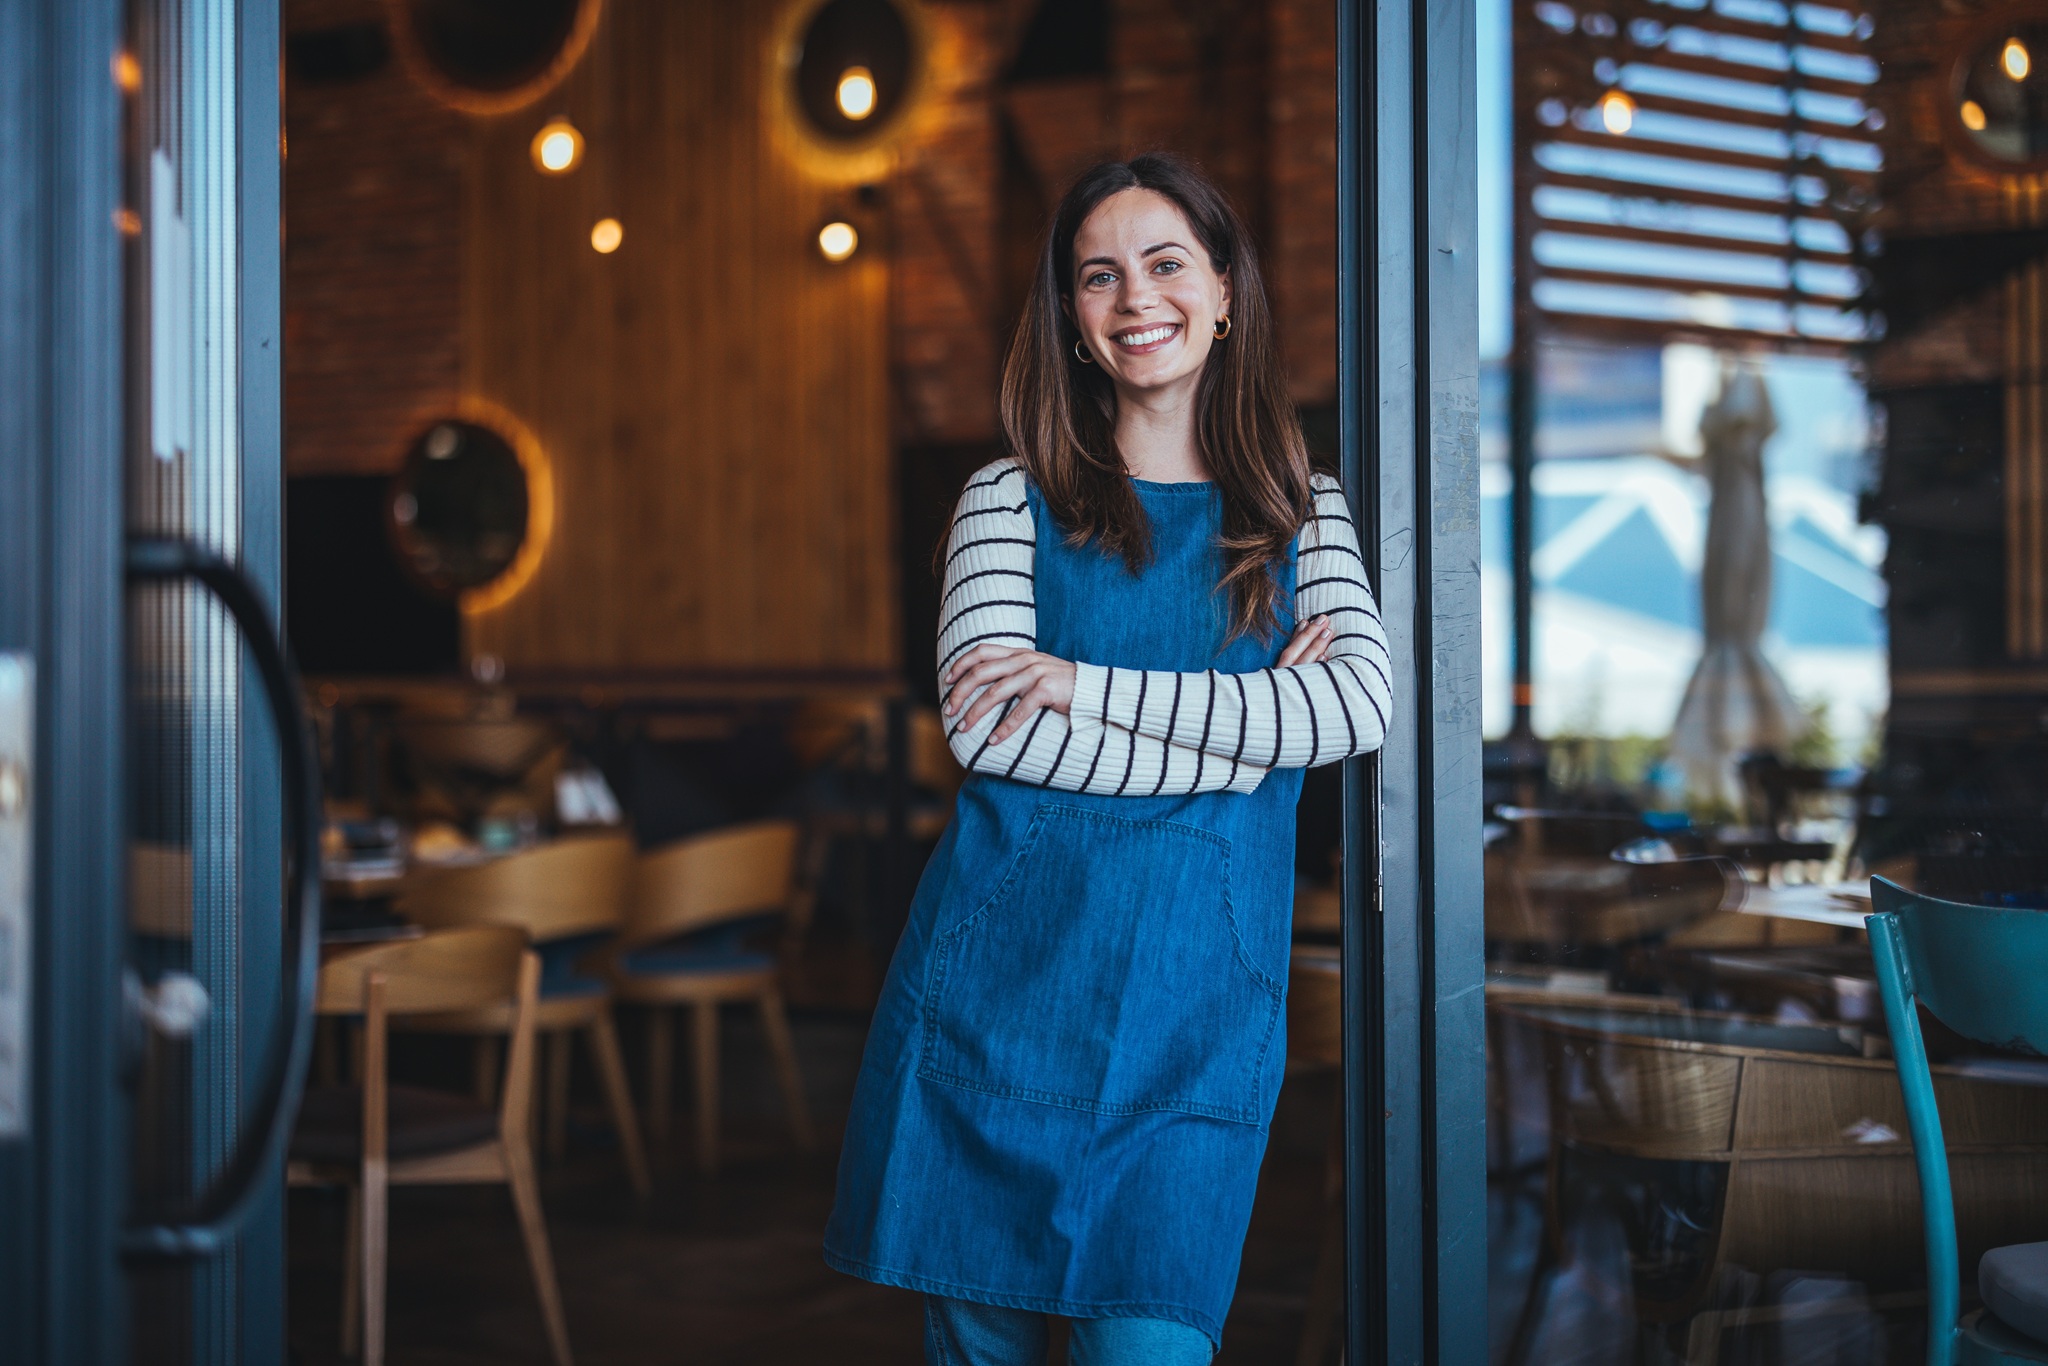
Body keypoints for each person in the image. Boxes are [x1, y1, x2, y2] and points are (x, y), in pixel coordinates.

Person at [824, 152, 1391, 1365]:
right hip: (994, 1003)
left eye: (1165, 262)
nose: (1135, 296)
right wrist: (1247, 738)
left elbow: (1352, 708)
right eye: (1097, 275)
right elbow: (992, 731)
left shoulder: (1304, 509)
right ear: (1072, 319)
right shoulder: (1003, 500)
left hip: (1197, 1018)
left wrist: (1081, 686)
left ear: (1223, 290)